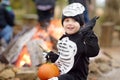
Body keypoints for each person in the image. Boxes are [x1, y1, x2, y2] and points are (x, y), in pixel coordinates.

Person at [45, 3, 100, 80]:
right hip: (64, 73)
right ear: (63, 23)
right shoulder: (64, 38)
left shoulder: (82, 38)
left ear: (80, 24)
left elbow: (93, 52)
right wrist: (54, 57)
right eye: (67, 20)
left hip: (77, 76)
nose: (70, 23)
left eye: (74, 21)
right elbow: (67, 60)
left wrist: (89, 33)